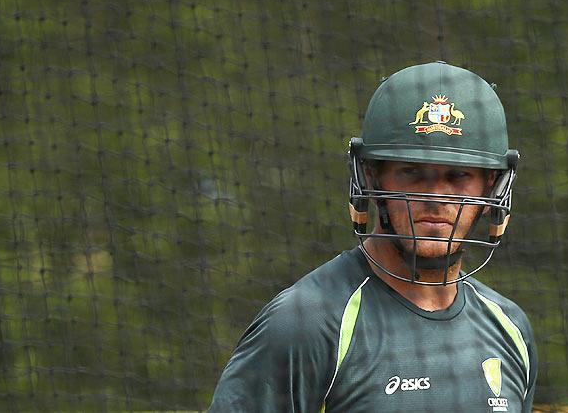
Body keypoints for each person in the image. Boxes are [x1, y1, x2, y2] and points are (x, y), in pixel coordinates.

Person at [209, 62, 537, 412]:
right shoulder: (305, 324)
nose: (435, 198)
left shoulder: (510, 328)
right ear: (371, 177)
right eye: (412, 172)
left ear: (492, 187)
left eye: (458, 176)